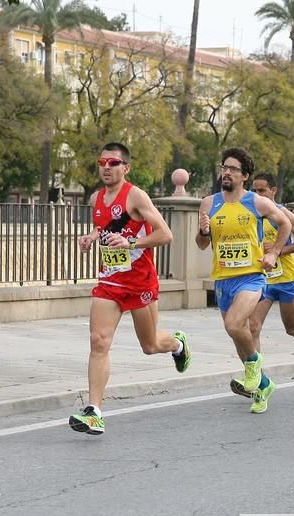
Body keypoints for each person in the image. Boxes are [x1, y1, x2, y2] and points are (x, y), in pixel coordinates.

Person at [69, 142, 191, 435]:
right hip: (110, 281)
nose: (106, 168)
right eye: (102, 162)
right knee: (99, 341)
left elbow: (166, 234)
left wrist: (132, 243)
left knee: (150, 346)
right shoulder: (97, 197)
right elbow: (107, 227)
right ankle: (94, 411)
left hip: (140, 283)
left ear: (126, 168)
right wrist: (91, 237)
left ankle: (177, 344)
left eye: (113, 163)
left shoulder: (136, 196)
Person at [196, 148, 291, 413]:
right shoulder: (208, 203)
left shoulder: (257, 202)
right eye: (224, 167)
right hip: (223, 279)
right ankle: (262, 385)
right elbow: (202, 244)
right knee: (239, 335)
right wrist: (204, 231)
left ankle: (253, 368)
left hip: (251, 277)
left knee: (235, 323)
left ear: (244, 176)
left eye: (233, 169)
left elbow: (285, 224)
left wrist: (273, 252)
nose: (226, 172)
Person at [232, 172, 294, 394]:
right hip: (262, 280)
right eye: (254, 189)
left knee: (292, 328)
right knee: (253, 326)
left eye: (262, 190)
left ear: (273, 191)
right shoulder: (250, 213)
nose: (257, 194)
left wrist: (278, 251)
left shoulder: (282, 214)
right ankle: (256, 380)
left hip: (287, 279)